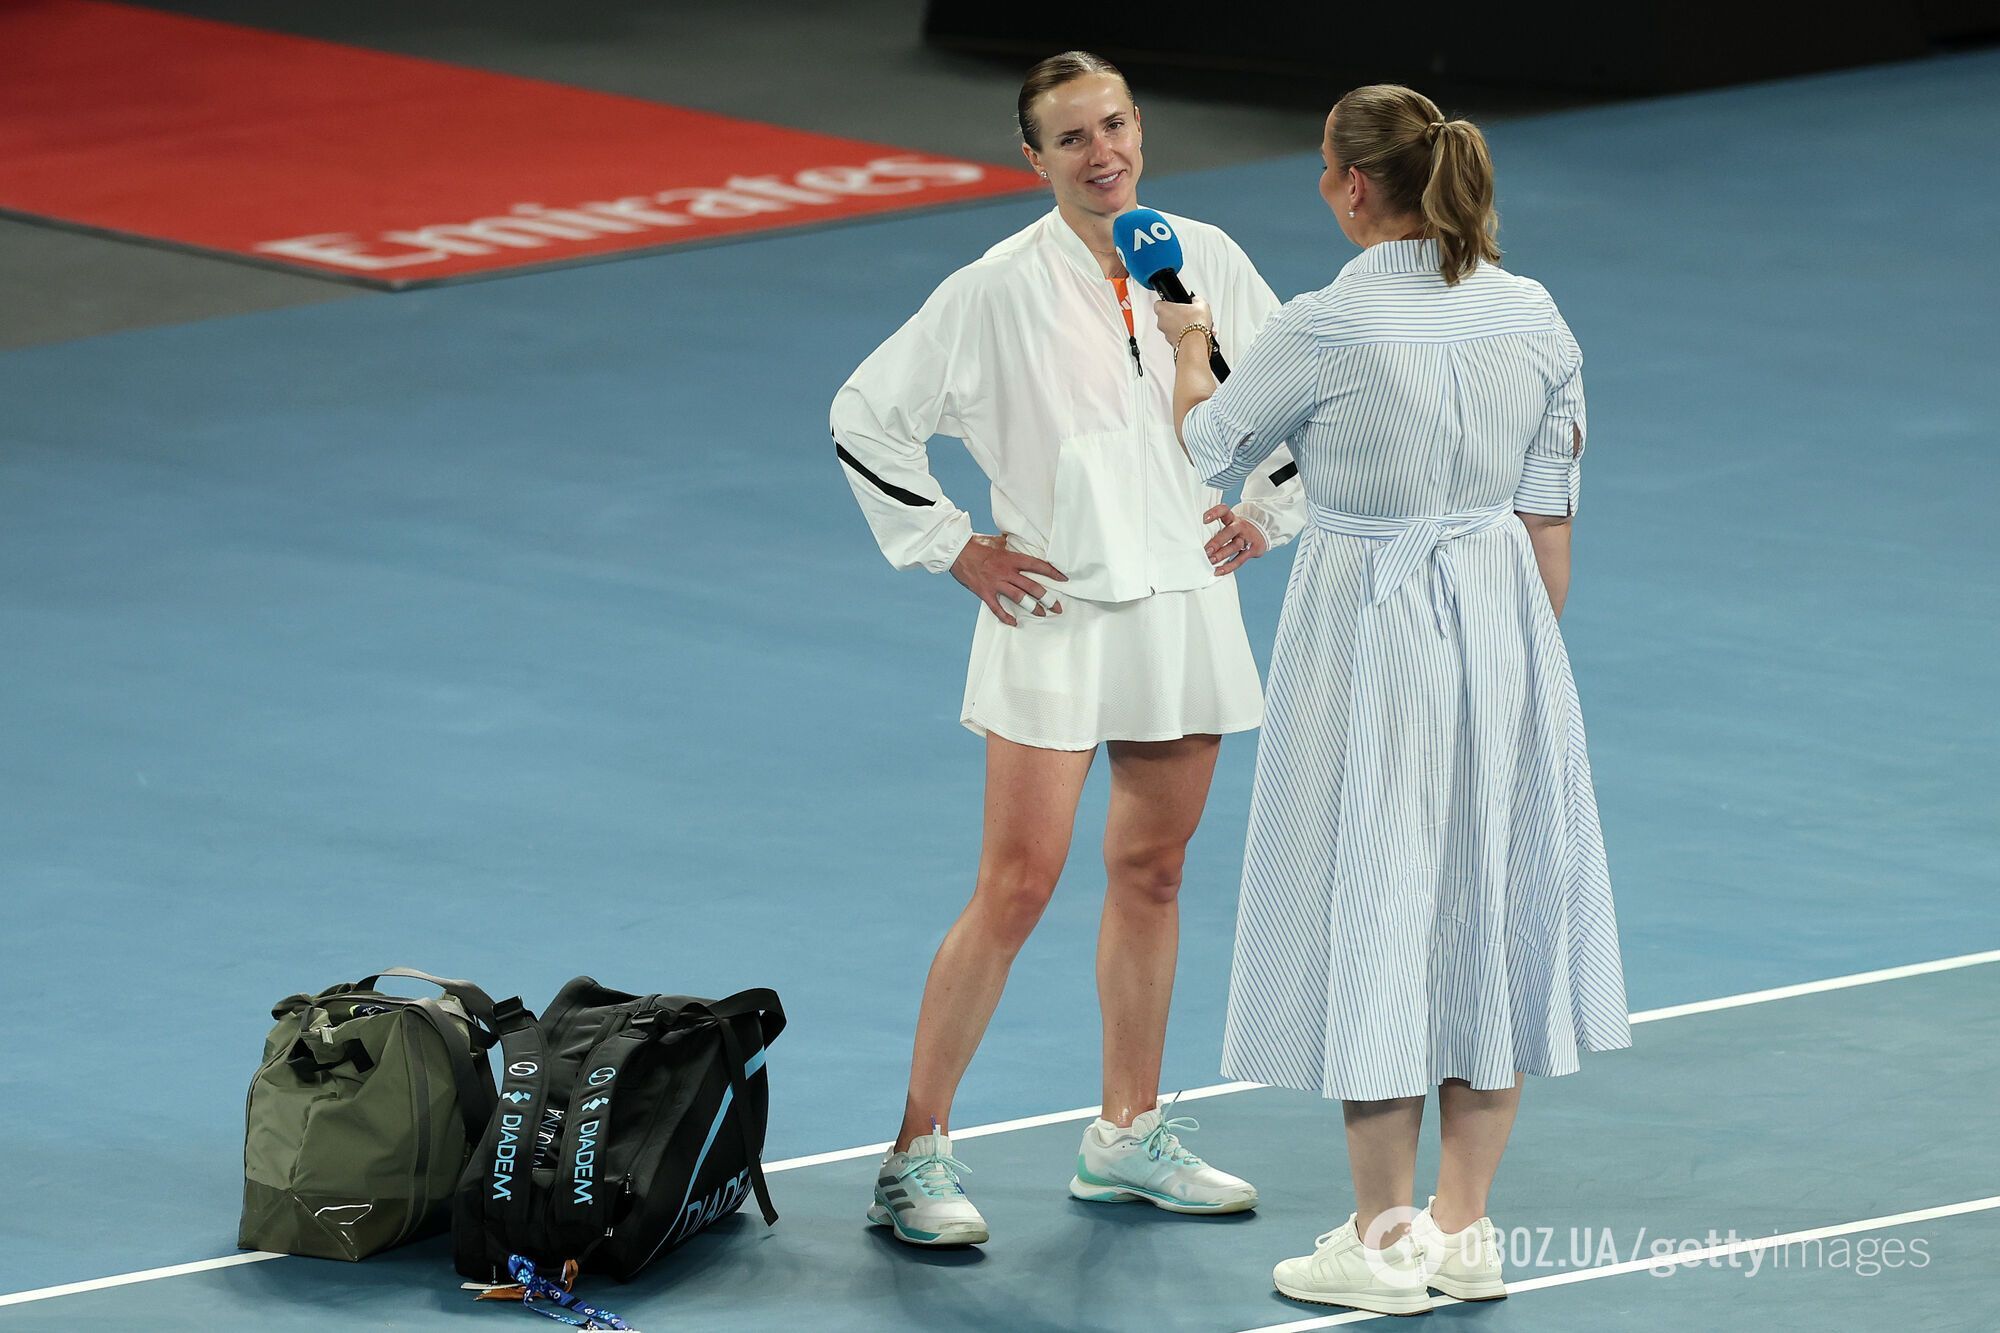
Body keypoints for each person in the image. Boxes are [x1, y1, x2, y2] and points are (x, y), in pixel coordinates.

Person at [1153, 84, 1632, 1313]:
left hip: (1366, 642)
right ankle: (1462, 1230)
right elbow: (1546, 521)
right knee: (1486, 917)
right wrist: (1518, 675)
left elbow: (1204, 447)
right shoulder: (1533, 314)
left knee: (1371, 918)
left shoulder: (1324, 325)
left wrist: (1182, 347)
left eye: (1323, 166)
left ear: (1353, 186)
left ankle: (1380, 1240)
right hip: (1507, 639)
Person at [830, 50, 1306, 1247]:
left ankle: (1125, 1133)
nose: (1104, 155)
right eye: (1073, 138)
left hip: (1180, 609)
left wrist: (1268, 510)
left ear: (1139, 128)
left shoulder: (1202, 260)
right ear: (1031, 160)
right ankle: (912, 1154)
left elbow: (1299, 401)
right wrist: (953, 546)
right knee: (1018, 885)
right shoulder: (990, 290)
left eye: (1116, 125)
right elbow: (864, 416)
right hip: (1053, 617)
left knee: (1153, 874)